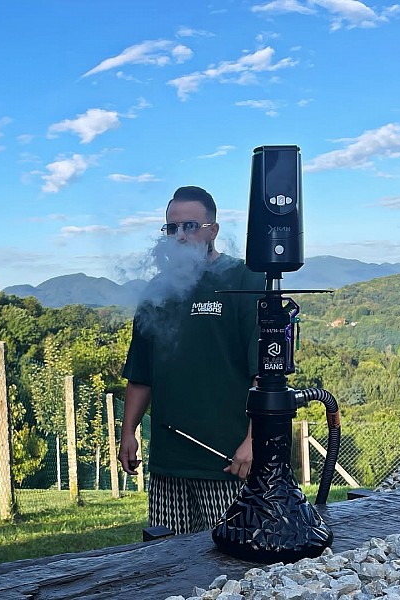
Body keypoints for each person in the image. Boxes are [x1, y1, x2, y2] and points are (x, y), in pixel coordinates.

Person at [119, 185, 265, 535]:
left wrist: (253, 441)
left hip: (229, 463)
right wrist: (128, 432)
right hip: (168, 464)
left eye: (190, 226)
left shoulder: (245, 280)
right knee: (166, 557)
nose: (180, 236)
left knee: (233, 557)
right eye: (172, 228)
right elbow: (141, 374)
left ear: (213, 231)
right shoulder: (156, 292)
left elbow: (264, 375)